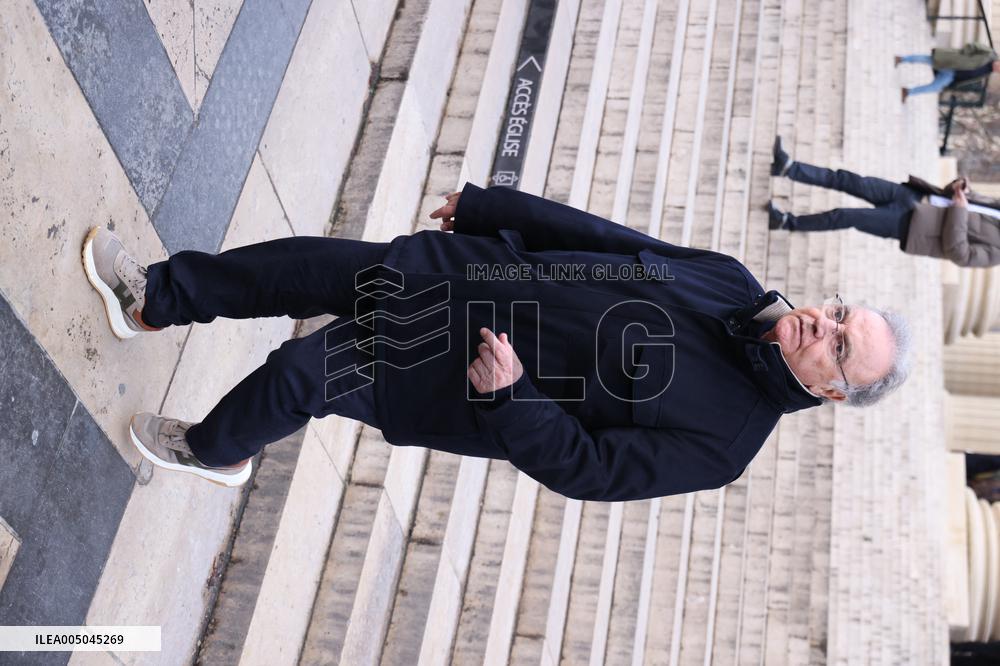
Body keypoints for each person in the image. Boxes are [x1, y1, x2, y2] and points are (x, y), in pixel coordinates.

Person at [82, 183, 910, 501]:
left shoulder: (724, 445)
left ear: (832, 392)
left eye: (841, 349)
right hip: (460, 278)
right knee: (294, 268)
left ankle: (213, 450)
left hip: (450, 377)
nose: (825, 326)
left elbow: (591, 469)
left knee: (298, 372)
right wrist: (495, 210)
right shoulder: (733, 281)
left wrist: (512, 399)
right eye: (841, 315)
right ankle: (156, 298)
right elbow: (608, 238)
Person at [767, 136, 1000, 267]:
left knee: (844, 216)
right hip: (915, 196)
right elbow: (961, 201)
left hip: (910, 226)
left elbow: (960, 254)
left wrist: (959, 211)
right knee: (848, 180)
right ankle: (788, 168)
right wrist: (960, 188)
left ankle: (786, 222)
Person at [896, 41, 999, 102]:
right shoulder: (990, 54)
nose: (998, 67)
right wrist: (964, 54)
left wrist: (956, 83)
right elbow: (975, 45)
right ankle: (902, 59)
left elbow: (970, 78)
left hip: (952, 75)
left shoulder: (987, 73)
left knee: (935, 87)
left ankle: (907, 92)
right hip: (952, 62)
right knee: (927, 60)